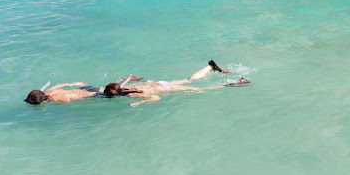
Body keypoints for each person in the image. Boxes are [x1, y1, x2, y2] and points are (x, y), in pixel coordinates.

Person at [102, 60, 249, 108]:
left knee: (202, 89)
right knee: (189, 80)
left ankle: (236, 83)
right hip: (159, 83)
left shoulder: (131, 94)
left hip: (165, 88)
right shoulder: (123, 86)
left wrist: (137, 103)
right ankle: (210, 67)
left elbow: (155, 98)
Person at [24, 75, 143, 105]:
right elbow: (60, 85)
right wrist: (75, 83)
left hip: (90, 93)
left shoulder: (59, 100)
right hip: (83, 87)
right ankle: (123, 80)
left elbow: (73, 99)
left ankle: (130, 86)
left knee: (113, 93)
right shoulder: (50, 90)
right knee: (109, 89)